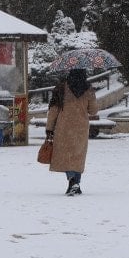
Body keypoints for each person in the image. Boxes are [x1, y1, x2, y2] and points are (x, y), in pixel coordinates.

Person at [45, 68, 99, 196]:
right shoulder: (89, 89)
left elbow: (53, 110)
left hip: (64, 127)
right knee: (77, 155)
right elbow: (93, 111)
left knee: (66, 155)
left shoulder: (61, 88)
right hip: (81, 127)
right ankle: (76, 183)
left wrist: (49, 128)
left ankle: (73, 180)